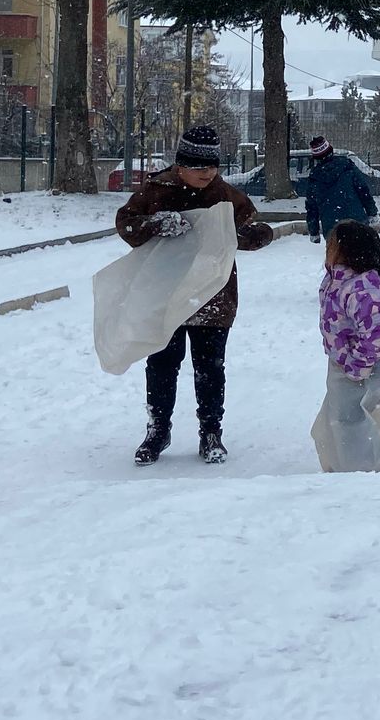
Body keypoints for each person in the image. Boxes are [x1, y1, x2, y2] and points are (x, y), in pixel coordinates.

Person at [115, 124, 275, 466]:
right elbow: (126, 224)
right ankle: (158, 429)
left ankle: (211, 431)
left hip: (212, 298)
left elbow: (254, 230)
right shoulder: (156, 191)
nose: (208, 173)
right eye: (200, 167)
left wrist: (249, 236)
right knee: (161, 364)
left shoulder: (227, 197)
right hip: (167, 295)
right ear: (181, 165)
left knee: (210, 368)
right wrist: (155, 224)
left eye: (213, 165)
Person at [315, 220, 380, 471]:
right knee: (342, 414)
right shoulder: (339, 279)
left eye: (331, 245)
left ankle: (367, 467)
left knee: (360, 415)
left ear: (347, 250)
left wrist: (357, 365)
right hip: (351, 359)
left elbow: (376, 335)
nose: (327, 249)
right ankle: (347, 462)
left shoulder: (364, 288)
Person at [303, 135, 377, 244]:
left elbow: (312, 207)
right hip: (357, 222)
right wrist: (372, 212)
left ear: (316, 158)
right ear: (331, 151)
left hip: (332, 229)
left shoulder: (315, 177)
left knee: (339, 258)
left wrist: (314, 231)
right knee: (361, 254)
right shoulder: (347, 166)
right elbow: (363, 191)